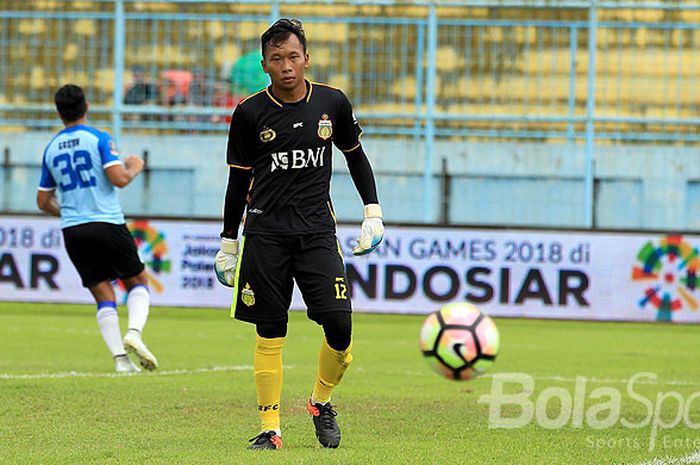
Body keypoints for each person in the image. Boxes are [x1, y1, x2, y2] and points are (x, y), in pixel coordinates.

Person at [215, 19, 384, 450]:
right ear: (264, 65)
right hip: (266, 234)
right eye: (277, 59)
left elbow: (356, 157)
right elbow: (238, 183)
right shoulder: (250, 113)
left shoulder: (332, 103)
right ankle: (271, 429)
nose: (286, 65)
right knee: (270, 331)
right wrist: (228, 242)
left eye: (293, 56)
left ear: (306, 58)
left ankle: (320, 402)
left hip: (316, 233)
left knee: (339, 325)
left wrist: (373, 213)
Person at [37, 84, 158, 374]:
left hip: (73, 230)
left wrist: (66, 211)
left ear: (58, 112)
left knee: (103, 294)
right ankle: (134, 333)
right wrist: (135, 166)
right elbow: (118, 179)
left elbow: (43, 200)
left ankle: (120, 360)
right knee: (138, 281)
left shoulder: (51, 148)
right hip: (106, 222)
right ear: (87, 106)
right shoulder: (99, 139)